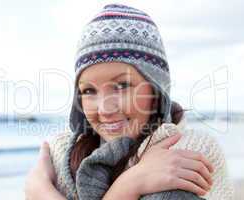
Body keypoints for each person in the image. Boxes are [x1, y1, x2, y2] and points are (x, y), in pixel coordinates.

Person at [25, 4, 234, 200]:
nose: (105, 109)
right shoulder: (62, 153)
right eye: (89, 90)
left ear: (155, 88)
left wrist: (43, 192)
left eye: (122, 86)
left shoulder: (190, 151)